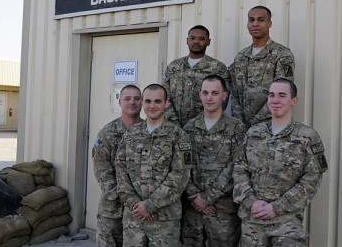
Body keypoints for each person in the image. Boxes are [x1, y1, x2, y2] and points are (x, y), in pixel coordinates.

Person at [233, 79, 328, 246]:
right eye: (271, 95)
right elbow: (239, 170)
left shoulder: (307, 136)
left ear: (294, 100)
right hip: (252, 220)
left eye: (282, 95)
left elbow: (311, 181)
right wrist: (251, 202)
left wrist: (276, 207)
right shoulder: (254, 133)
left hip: (287, 222)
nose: (275, 100)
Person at [115, 84, 192, 247]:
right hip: (134, 217)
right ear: (142, 102)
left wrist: (149, 205)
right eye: (148, 101)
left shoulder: (179, 136)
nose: (152, 106)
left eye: (157, 101)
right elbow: (120, 169)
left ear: (167, 103)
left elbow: (181, 174)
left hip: (165, 219)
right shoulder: (131, 134)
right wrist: (134, 203)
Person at [182, 75, 246, 247]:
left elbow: (237, 167)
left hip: (222, 212)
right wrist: (196, 198)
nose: (209, 97)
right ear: (199, 95)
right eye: (205, 93)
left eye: (215, 93)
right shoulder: (188, 128)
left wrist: (207, 198)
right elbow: (182, 166)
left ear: (224, 96)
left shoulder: (236, 128)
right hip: (192, 211)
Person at [92, 85, 143, 247]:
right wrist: (122, 195)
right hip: (112, 207)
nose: (132, 102)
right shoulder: (107, 133)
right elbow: (101, 169)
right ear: (120, 102)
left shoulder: (149, 131)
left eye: (136, 98)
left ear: (142, 102)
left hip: (139, 209)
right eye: (127, 99)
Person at [229, 6, 295, 128]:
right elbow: (235, 94)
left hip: (271, 125)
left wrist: (257, 123)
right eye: (251, 20)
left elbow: (282, 93)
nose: (255, 24)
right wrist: (239, 123)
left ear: (269, 23)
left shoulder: (282, 54)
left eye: (260, 20)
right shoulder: (241, 57)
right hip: (242, 127)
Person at [164, 25, 229, 127]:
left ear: (208, 42)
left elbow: (223, 99)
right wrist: (173, 122)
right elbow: (164, 97)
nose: (196, 42)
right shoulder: (174, 66)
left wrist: (201, 123)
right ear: (187, 40)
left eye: (201, 39)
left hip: (204, 128)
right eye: (192, 38)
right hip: (174, 127)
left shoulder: (217, 67)